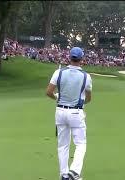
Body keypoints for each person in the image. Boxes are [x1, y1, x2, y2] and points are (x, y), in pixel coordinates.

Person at [46, 47, 92, 180]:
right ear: (81, 59)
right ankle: (74, 171)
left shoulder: (59, 72)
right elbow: (89, 98)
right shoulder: (86, 76)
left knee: (63, 145)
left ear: (69, 57)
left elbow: (49, 92)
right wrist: (81, 102)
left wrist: (57, 97)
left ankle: (64, 174)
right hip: (76, 113)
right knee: (81, 143)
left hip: (60, 111)